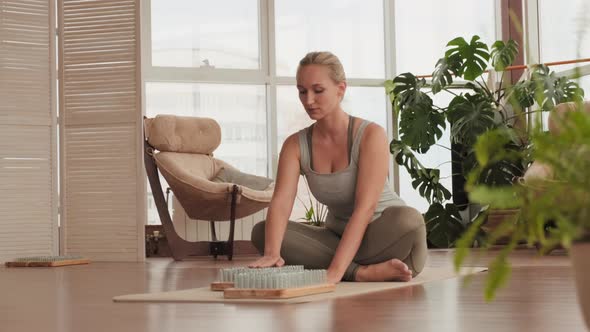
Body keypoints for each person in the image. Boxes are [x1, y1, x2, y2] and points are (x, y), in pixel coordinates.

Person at [250, 51, 427, 283]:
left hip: (389, 238)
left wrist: (334, 273)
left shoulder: (370, 135)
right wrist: (272, 254)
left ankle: (345, 267)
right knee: (264, 233)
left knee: (409, 219)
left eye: (318, 90)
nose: (308, 100)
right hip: (336, 238)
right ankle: (361, 272)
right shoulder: (295, 145)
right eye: (302, 91)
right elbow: (281, 202)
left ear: (341, 89)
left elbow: (365, 208)